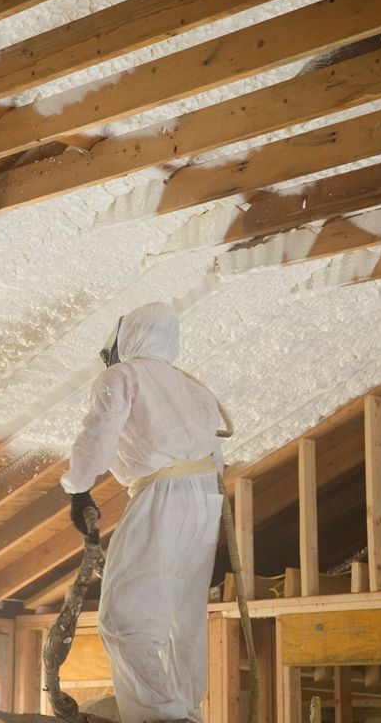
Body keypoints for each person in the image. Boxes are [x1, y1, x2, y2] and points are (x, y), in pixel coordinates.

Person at [60, 302, 225, 723]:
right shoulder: (194, 388)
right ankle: (187, 710)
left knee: (124, 618)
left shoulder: (121, 376)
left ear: (129, 337)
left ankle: (164, 715)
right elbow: (216, 457)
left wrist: (79, 490)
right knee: (181, 616)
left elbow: (98, 434)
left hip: (162, 492)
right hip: (206, 497)